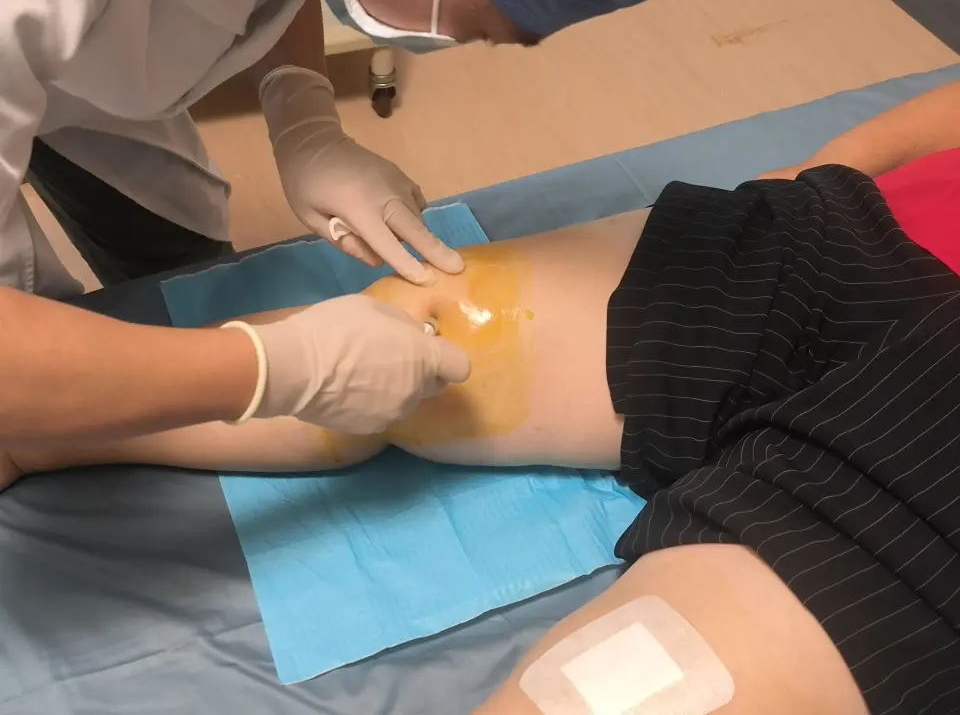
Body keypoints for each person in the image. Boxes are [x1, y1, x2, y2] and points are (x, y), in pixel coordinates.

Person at [8, 79, 960, 714]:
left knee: (623, 688)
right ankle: (37, 438)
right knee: (420, 326)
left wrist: (301, 109)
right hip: (879, 243)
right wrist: (823, 179)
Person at [1, 0, 664, 453]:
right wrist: (278, 373)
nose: (474, 42)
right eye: (485, 23)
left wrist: (302, 109)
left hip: (96, 68)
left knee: (176, 250)